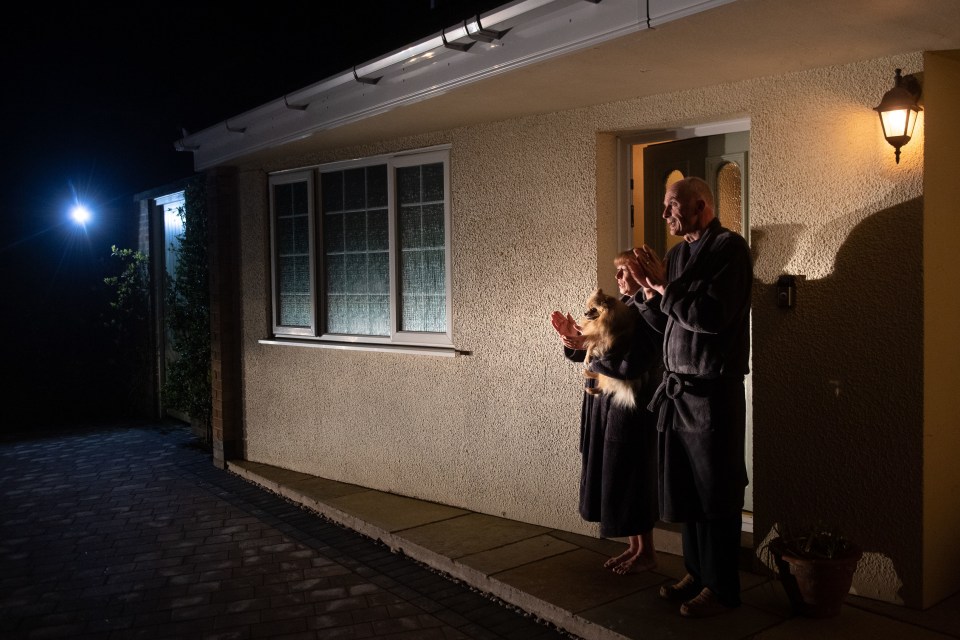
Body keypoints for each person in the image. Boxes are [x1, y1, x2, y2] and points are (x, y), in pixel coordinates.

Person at [624, 177, 752, 618]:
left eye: (672, 206)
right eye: (664, 206)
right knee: (687, 490)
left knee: (716, 493)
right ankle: (697, 574)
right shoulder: (677, 256)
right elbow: (672, 324)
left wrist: (664, 288)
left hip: (712, 393)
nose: (664, 215)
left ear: (701, 206)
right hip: (678, 393)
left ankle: (723, 588)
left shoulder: (729, 251)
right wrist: (645, 297)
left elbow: (712, 317)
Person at [550, 253, 662, 574]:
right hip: (606, 404)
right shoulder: (620, 307)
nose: (618, 278)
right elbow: (594, 348)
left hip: (632, 407)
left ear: (642, 273)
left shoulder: (649, 310)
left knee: (632, 476)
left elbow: (633, 363)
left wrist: (588, 347)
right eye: (618, 272)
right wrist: (575, 340)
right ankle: (634, 547)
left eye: (625, 271)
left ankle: (647, 552)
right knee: (617, 473)